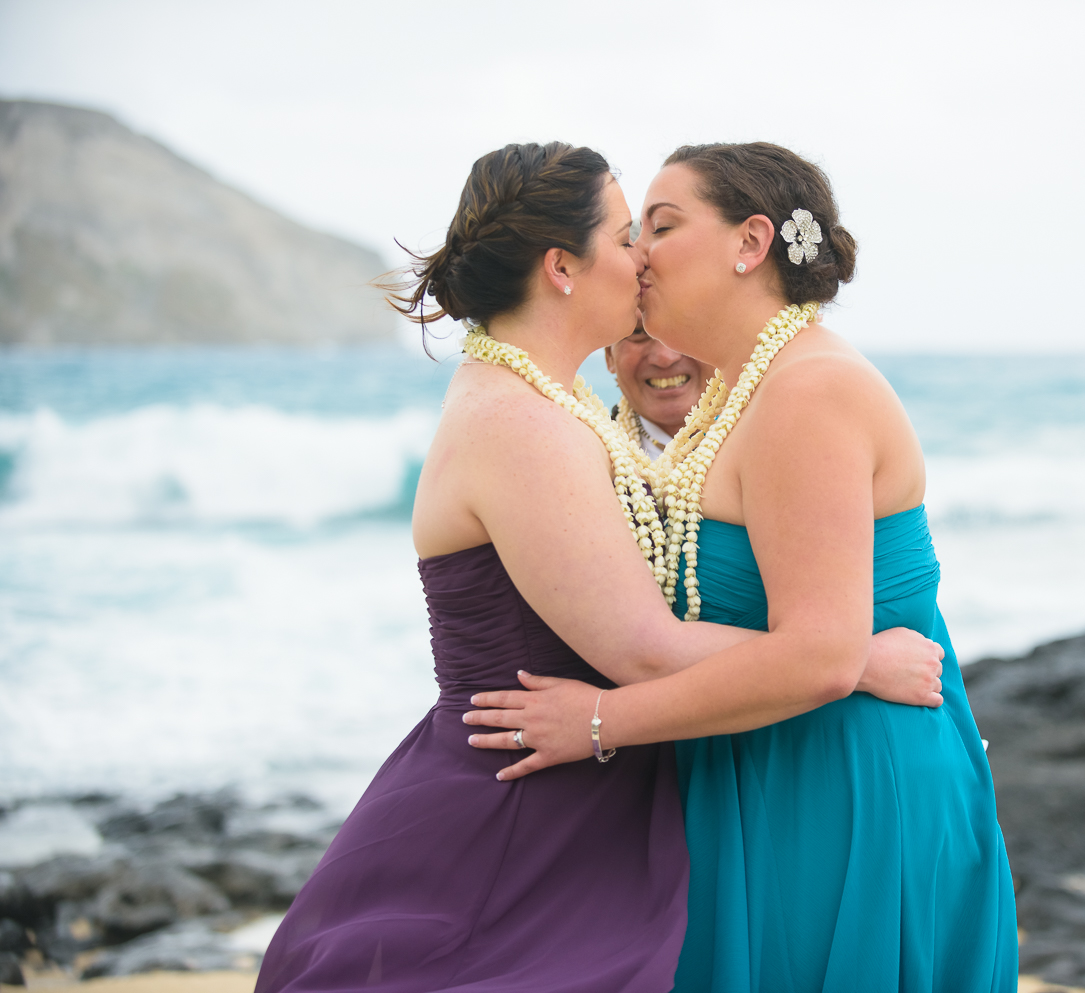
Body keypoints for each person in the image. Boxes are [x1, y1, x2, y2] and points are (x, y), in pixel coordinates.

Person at [252, 142, 944, 993]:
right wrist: (854, 658)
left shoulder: (557, 399)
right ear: (562, 269)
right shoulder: (521, 423)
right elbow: (645, 649)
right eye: (627, 237)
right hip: (521, 806)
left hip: (578, 792)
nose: (642, 258)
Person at [464, 143, 1020, 993]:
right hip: (769, 765)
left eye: (662, 224)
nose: (639, 252)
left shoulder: (810, 391)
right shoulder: (740, 393)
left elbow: (823, 655)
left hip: (841, 786)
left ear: (750, 242)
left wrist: (603, 720)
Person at [605, 325, 708, 452]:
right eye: (638, 332)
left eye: (687, 327)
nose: (665, 358)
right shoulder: (587, 453)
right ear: (609, 354)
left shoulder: (739, 446)